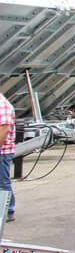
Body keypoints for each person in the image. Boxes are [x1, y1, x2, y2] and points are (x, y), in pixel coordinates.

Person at [0, 90, 16, 222]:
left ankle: (8, 210)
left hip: (2, 151)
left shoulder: (2, 105)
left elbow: (4, 128)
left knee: (2, 182)